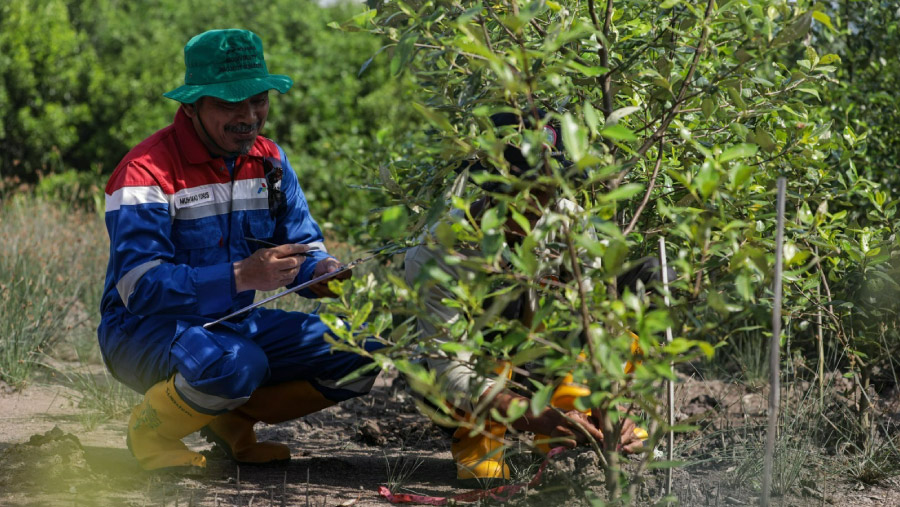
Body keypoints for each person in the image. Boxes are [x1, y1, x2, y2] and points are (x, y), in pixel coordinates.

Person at [98, 29, 382, 473]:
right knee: (237, 363)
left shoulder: (270, 161)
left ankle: (230, 421)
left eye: (259, 100)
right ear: (192, 106)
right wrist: (239, 277)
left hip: (235, 325)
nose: (249, 116)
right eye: (230, 104)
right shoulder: (145, 172)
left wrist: (321, 270)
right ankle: (152, 431)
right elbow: (139, 288)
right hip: (143, 331)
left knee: (363, 348)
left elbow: (303, 245)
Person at [403, 111, 654, 482]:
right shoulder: (440, 250)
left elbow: (593, 322)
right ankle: (480, 438)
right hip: (472, 378)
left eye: (547, 190)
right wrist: (535, 414)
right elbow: (450, 369)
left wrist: (607, 403)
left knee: (648, 281)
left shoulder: (570, 225)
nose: (537, 204)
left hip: (542, 370)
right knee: (504, 296)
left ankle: (573, 413)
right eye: (522, 191)